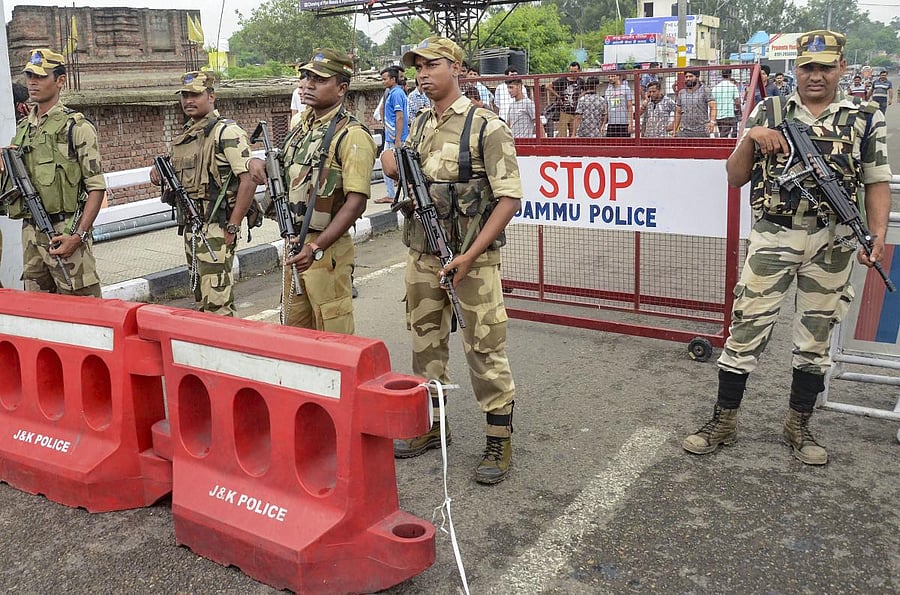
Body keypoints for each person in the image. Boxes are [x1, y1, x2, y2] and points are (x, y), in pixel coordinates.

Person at [682, 30, 892, 466]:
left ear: (842, 69)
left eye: (825, 67)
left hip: (833, 241)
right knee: (745, 329)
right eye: (807, 67)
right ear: (794, 69)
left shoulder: (865, 117)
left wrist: (875, 238)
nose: (816, 76)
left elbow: (876, 182)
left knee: (815, 338)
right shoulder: (770, 109)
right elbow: (734, 176)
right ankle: (723, 421)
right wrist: (753, 135)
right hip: (775, 235)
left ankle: (798, 425)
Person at [382, 36, 522, 484]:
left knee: (484, 349)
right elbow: (408, 175)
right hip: (423, 255)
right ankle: (432, 426)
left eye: (432, 64)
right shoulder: (420, 124)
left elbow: (508, 199)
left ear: (457, 68)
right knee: (426, 345)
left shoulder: (486, 127)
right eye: (417, 67)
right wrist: (390, 162)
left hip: (471, 263)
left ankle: (498, 440)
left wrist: (470, 255)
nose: (422, 73)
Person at [149, 70, 264, 316]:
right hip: (193, 226)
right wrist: (158, 172)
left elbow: (248, 180)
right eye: (185, 95)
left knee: (217, 303)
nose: (188, 100)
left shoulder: (226, 132)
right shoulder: (189, 133)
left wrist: (232, 226)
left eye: (195, 95)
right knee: (201, 299)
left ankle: (225, 350)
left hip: (216, 226)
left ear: (211, 96)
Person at [277, 49, 376, 332]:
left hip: (325, 250)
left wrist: (316, 247)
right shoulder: (301, 128)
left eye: (319, 79)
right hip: (295, 244)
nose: (307, 84)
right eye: (306, 77)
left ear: (342, 88)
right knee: (294, 333)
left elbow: (356, 202)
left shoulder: (352, 135)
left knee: (333, 334)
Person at [0, 49, 105, 296]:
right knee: (40, 314)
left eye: (40, 76)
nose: (32, 83)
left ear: (60, 81)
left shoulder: (77, 127)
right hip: (31, 235)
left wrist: (78, 235)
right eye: (29, 76)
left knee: (84, 314)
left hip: (65, 231)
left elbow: (96, 187)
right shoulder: (24, 129)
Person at [375, 66, 408, 204]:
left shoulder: (396, 94)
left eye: (385, 79)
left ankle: (395, 193)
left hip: (396, 137)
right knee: (390, 165)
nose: (383, 81)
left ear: (393, 79)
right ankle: (393, 193)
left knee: (395, 165)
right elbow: (383, 110)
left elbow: (399, 117)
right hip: (391, 135)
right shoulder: (390, 92)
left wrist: (398, 138)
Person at [673, 70, 716, 137]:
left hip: (702, 131)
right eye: (686, 77)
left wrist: (712, 122)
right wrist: (674, 130)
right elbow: (678, 112)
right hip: (685, 131)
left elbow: (713, 107)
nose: (688, 79)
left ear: (697, 77)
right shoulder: (682, 93)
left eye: (691, 76)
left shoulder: (705, 90)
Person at [548, 61, 582, 138]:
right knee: (562, 135)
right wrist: (558, 96)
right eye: (571, 71)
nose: (573, 74)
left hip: (576, 112)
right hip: (564, 111)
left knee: (573, 134)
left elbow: (586, 90)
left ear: (579, 71)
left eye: (575, 72)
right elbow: (548, 86)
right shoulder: (562, 80)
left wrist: (580, 96)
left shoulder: (580, 81)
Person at [711, 69, 741, 138]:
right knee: (725, 136)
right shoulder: (733, 86)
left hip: (718, 115)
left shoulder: (715, 87)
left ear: (722, 75)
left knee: (722, 133)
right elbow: (737, 102)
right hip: (729, 114)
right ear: (730, 75)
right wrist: (739, 111)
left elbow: (712, 102)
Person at [604, 72, 634, 137]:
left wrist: (631, 123)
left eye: (612, 76)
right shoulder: (607, 91)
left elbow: (630, 107)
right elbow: (606, 109)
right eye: (609, 77)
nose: (610, 78)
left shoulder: (626, 89)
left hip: (623, 123)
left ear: (618, 76)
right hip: (611, 123)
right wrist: (603, 124)